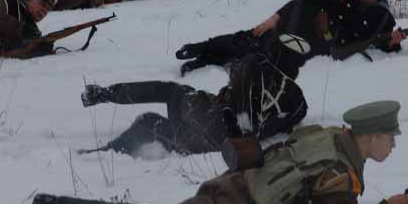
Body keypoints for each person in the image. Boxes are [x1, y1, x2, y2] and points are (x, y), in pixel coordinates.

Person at [31, 100, 408, 204]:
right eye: (390, 138)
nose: (393, 145)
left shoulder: (332, 136)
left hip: (238, 183)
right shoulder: (339, 173)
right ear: (371, 136)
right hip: (236, 203)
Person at [77, 45, 307, 158]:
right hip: (202, 143)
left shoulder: (254, 67)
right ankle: (108, 153)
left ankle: (104, 95)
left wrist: (235, 114)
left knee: (170, 90)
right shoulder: (294, 102)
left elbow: (245, 84)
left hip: (213, 124)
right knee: (149, 122)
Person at [176, 0, 405, 73]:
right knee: (256, 35)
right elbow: (308, 1)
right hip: (305, 23)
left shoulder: (382, 17)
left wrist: (393, 43)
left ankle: (206, 61)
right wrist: (275, 18)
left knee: (267, 52)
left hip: (319, 46)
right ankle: (203, 48)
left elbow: (383, 42)